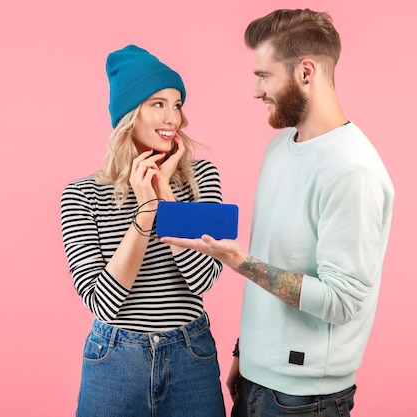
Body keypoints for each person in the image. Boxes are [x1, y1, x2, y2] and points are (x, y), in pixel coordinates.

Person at [160, 9, 395, 417]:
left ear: (306, 71)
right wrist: (245, 352)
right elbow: (278, 259)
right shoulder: (281, 146)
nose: (256, 90)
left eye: (264, 76)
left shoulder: (352, 171)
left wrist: (238, 262)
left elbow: (342, 302)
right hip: (256, 379)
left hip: (305, 399)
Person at [60, 44, 226, 417]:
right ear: (129, 114)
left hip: (191, 357)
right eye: (157, 104)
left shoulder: (202, 178)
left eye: (177, 104)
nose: (173, 119)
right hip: (114, 361)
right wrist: (146, 211)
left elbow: (203, 279)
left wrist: (165, 194)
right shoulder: (82, 195)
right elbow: (103, 302)